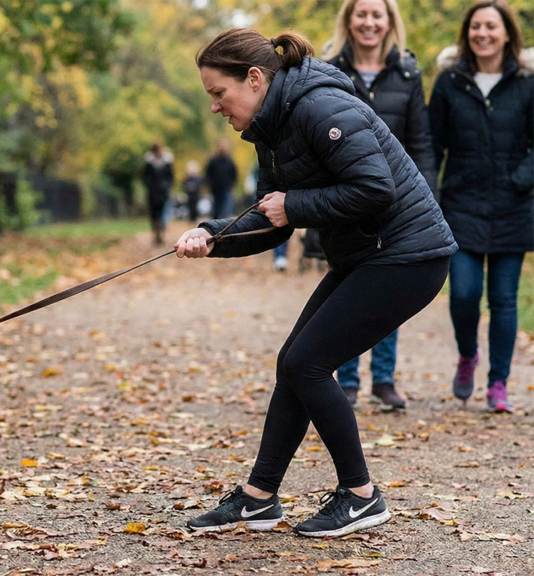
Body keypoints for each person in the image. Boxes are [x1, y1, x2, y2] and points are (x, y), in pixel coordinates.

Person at [177, 29, 456, 538]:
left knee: (308, 363)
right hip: (368, 254)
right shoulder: (271, 126)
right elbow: (268, 219)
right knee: (295, 361)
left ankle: (361, 496)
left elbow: (374, 187)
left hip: (408, 255)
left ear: (255, 78)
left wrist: (296, 206)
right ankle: (260, 498)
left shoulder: (319, 105)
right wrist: (212, 235)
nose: (216, 107)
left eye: (219, 93)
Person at [321, 0, 439, 409]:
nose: (369, 22)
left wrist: (426, 198)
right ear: (348, 20)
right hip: (347, 198)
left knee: (387, 289)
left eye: (377, 15)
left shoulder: (407, 73)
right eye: (361, 14)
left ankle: (384, 379)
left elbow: (421, 142)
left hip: (398, 204)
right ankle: (347, 378)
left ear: (389, 22)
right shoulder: (329, 71)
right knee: (350, 289)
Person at [429, 0, 534, 413]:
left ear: (507, 33)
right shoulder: (449, 82)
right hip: (461, 204)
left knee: (505, 300)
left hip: (514, 205)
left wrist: (520, 179)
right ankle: (468, 355)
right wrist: (429, 195)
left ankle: (499, 384)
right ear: (467, 33)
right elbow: (432, 145)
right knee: (465, 294)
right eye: (476, 26)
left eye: (492, 26)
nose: (483, 34)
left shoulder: (527, 83)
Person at [142, 143, 175, 245]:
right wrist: (149, 187)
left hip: (163, 192)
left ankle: (162, 235)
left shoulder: (167, 163)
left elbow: (171, 177)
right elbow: (144, 177)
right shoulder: (149, 163)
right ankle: (156, 235)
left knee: (163, 215)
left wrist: (168, 187)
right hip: (153, 192)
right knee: (154, 215)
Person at [205, 138, 237, 219]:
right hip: (215, 189)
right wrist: (209, 184)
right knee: (216, 209)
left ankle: (224, 225)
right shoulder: (213, 160)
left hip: (226, 188)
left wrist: (231, 185)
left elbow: (234, 174)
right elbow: (208, 173)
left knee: (225, 209)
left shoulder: (230, 161)